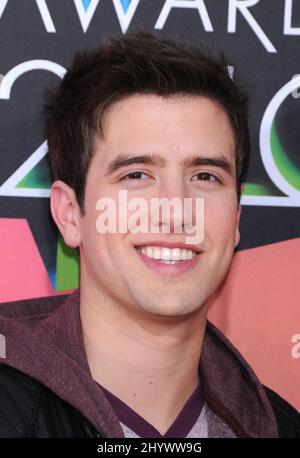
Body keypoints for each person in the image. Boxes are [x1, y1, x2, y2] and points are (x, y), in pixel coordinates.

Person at [0, 31, 299, 438]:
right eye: (137, 175)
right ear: (70, 214)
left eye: (205, 176)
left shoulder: (279, 426)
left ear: (236, 217)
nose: (175, 210)